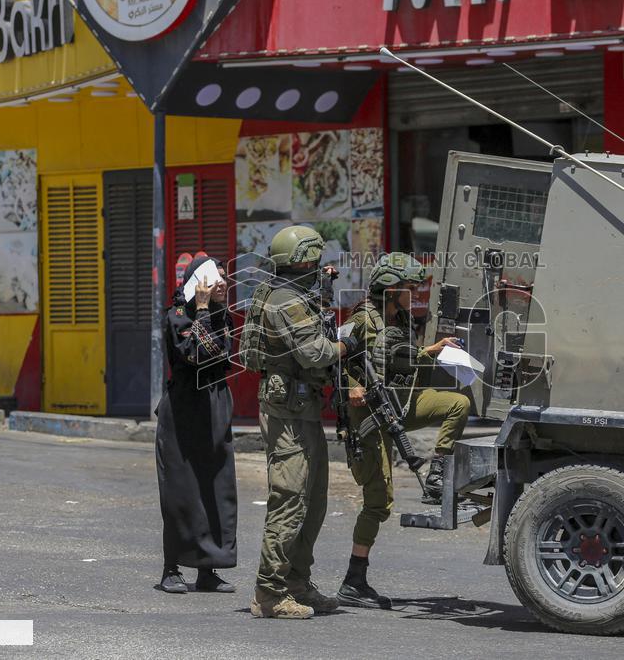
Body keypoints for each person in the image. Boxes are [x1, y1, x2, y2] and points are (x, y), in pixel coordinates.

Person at [336, 252, 469, 609]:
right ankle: (354, 580)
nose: (415, 294)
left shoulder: (403, 321)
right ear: (392, 290)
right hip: (369, 419)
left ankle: (438, 471)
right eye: (410, 288)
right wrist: (351, 384)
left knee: (458, 404)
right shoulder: (362, 319)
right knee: (379, 502)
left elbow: (402, 360)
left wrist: (435, 350)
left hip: (401, 406)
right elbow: (331, 359)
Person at [239, 225, 358, 620]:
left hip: (302, 411)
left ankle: (296, 582)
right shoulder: (284, 300)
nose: (320, 264)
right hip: (287, 413)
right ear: (304, 259)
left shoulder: (293, 294)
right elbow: (314, 352)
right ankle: (269, 594)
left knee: (314, 500)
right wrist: (348, 342)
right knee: (289, 500)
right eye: (315, 258)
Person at [154, 255, 238, 594]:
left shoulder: (223, 317)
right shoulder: (177, 317)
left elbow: (222, 353)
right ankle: (170, 568)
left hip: (215, 407)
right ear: (197, 284)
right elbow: (196, 354)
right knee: (181, 491)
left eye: (224, 279)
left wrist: (208, 313)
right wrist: (201, 310)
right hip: (184, 409)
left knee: (217, 489)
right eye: (214, 278)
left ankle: (208, 570)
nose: (222, 284)